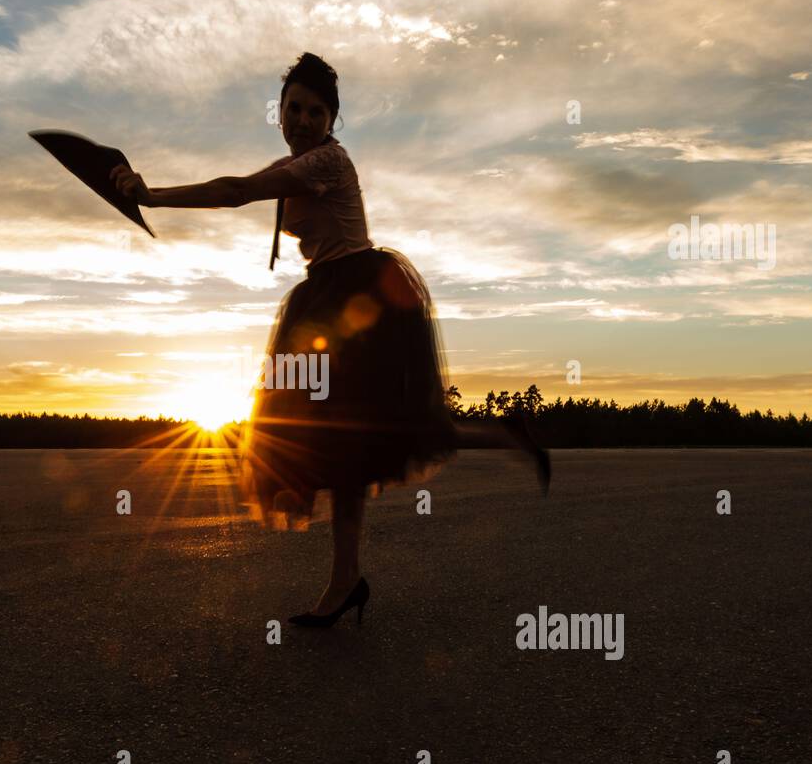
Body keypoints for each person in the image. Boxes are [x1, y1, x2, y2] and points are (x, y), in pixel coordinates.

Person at [111, 52, 548, 629]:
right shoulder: (297, 161)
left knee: (348, 441)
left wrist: (152, 195)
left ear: (332, 120)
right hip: (324, 299)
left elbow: (236, 190)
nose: (302, 118)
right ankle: (348, 580)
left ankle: (491, 445)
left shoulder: (328, 163)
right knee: (348, 450)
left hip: (358, 304)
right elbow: (248, 188)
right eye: (294, 107)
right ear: (280, 110)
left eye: (316, 111)